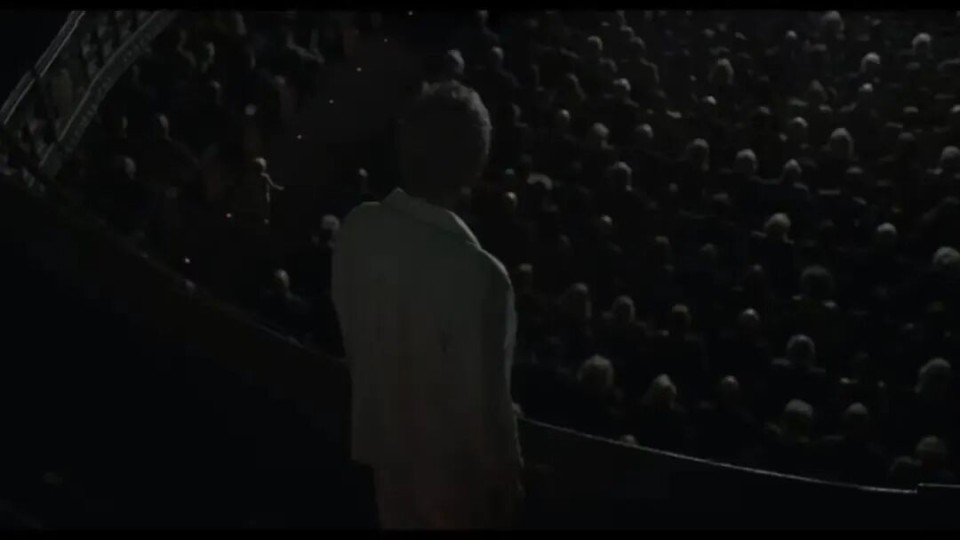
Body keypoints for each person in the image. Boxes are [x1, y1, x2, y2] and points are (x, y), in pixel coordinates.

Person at [332, 81, 522, 529]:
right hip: (457, 493)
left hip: (385, 460)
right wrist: (507, 479)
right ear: (475, 166)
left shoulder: (357, 229)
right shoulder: (482, 277)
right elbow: (487, 411)